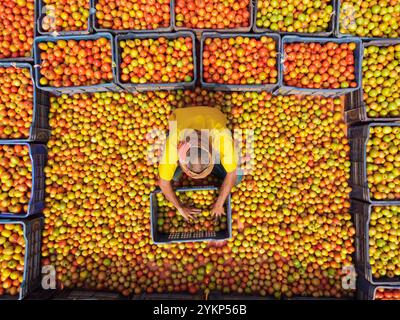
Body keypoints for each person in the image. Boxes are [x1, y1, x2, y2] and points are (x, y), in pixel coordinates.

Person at [158, 106, 242, 222]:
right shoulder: (174, 140)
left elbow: (232, 174)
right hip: (182, 119)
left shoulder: (221, 136)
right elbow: (163, 182)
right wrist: (180, 207)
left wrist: (219, 203)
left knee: (238, 176)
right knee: (169, 175)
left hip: (213, 117)